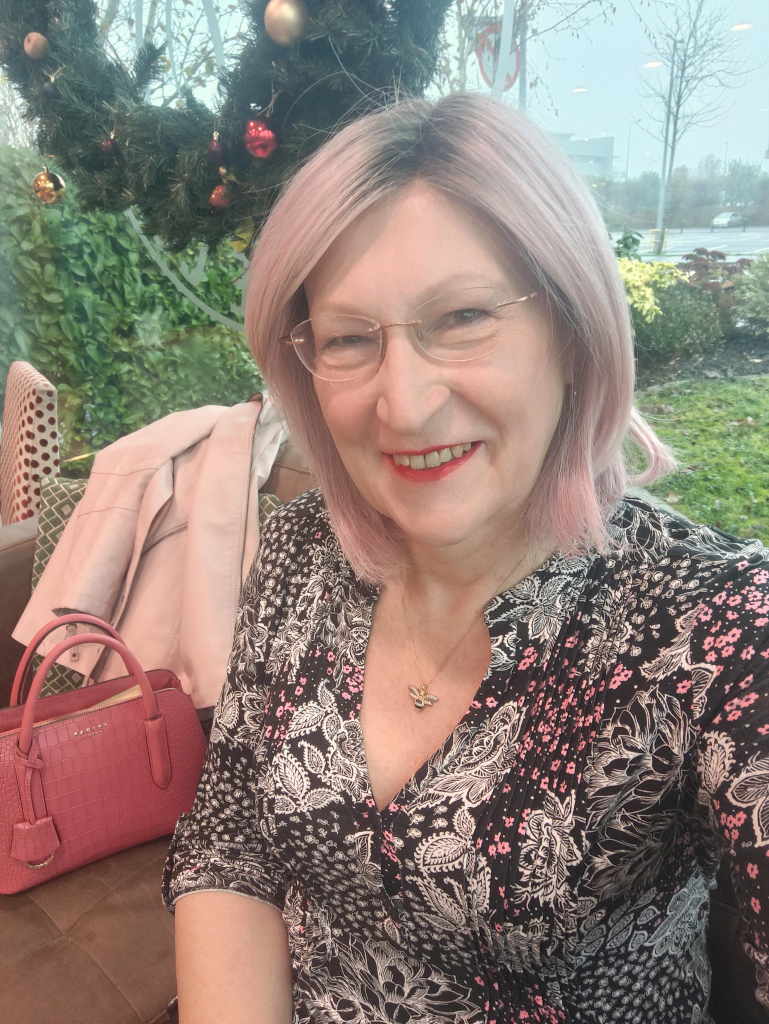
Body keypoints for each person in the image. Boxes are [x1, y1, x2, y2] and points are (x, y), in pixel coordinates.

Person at [161, 92, 769, 1024]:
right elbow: (230, 843)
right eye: (351, 339)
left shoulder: (715, 622)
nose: (402, 406)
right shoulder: (295, 551)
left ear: (571, 331)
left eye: (463, 317)